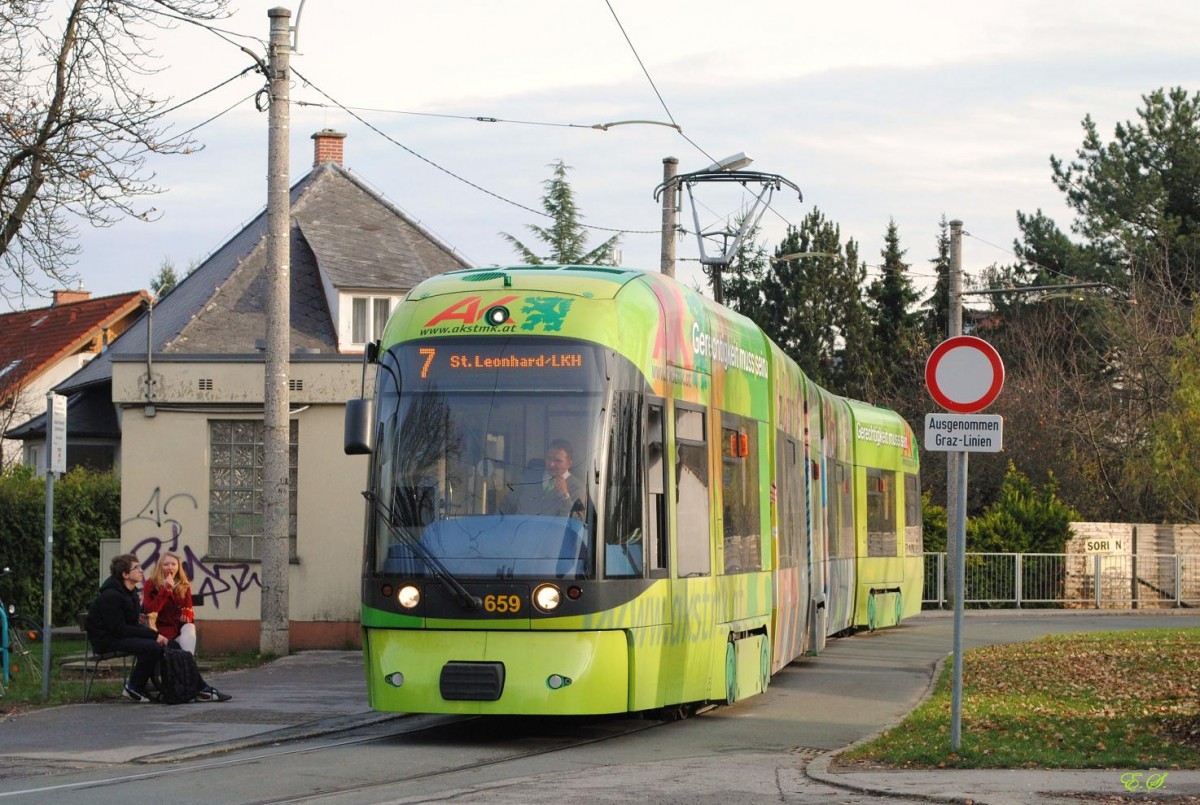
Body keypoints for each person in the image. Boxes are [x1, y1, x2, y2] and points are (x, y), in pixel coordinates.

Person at [142, 551, 232, 702]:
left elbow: (189, 608)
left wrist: (187, 614)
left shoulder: (184, 584)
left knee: (190, 628)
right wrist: (165, 590)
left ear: (178, 567)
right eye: (166, 564)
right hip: (162, 631)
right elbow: (151, 609)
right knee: (185, 654)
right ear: (160, 567)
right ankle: (202, 690)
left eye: (173, 564)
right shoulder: (151, 584)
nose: (170, 567)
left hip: (179, 628)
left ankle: (194, 686)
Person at [87, 553, 171, 703]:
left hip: (119, 636)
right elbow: (119, 629)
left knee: (163, 644)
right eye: (136, 568)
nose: (141, 570)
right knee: (151, 647)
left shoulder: (130, 593)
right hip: (107, 641)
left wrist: (154, 634)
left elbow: (133, 624)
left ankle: (166, 686)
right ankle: (134, 687)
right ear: (125, 574)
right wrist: (153, 636)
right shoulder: (111, 596)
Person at [503, 439, 585, 517]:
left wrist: (565, 496)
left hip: (553, 531)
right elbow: (507, 503)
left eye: (558, 460)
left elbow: (576, 522)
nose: (551, 464)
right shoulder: (529, 476)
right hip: (519, 529)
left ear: (569, 464)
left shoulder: (578, 488)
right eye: (548, 458)